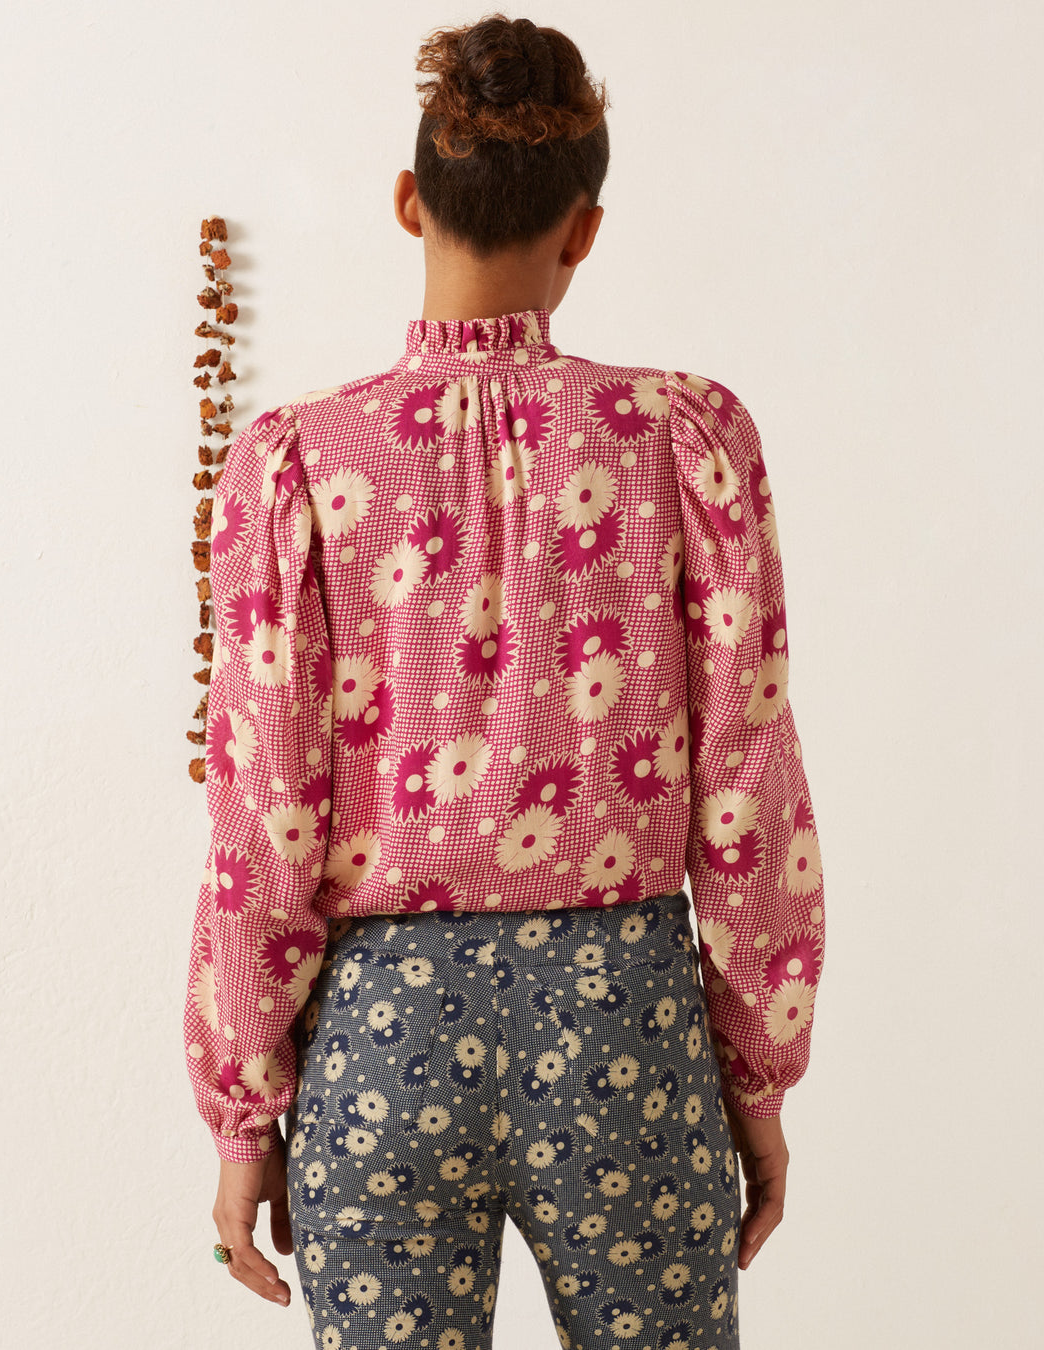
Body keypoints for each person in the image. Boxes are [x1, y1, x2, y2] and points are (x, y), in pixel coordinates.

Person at [183, 13, 825, 1348]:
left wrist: (247, 1112)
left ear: (409, 200)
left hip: (383, 1038)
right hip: (627, 1026)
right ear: (584, 229)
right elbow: (748, 786)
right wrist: (758, 1073)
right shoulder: (685, 438)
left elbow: (262, 820)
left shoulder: (295, 464)